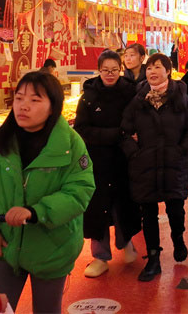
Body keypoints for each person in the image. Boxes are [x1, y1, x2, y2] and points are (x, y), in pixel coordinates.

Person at [0, 71, 95, 313]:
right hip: (4, 242)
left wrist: (36, 212)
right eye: (19, 98)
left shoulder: (70, 145)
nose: (24, 106)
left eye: (35, 100)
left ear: (53, 106)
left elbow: (79, 190)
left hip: (53, 245)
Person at [120, 53, 188, 282]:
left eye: (158, 67)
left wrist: (182, 151)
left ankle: (178, 238)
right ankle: (153, 258)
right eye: (150, 68)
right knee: (149, 214)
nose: (152, 72)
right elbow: (124, 131)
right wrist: (134, 153)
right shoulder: (138, 100)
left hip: (174, 163)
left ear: (168, 70)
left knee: (176, 208)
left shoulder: (181, 98)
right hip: (145, 165)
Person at [74, 50, 141, 278]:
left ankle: (127, 244)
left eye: (114, 70)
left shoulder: (131, 92)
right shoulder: (90, 95)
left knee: (124, 203)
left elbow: (137, 123)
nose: (110, 75)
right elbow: (81, 129)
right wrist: (117, 134)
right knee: (97, 207)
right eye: (105, 70)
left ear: (120, 69)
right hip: (97, 160)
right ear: (99, 70)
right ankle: (100, 257)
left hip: (124, 159)